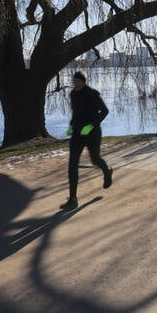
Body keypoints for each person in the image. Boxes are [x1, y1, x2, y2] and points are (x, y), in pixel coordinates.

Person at [60, 71, 113, 211]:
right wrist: (71, 125)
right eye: (74, 81)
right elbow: (76, 112)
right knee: (72, 164)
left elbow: (105, 111)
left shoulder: (92, 93)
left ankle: (107, 172)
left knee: (95, 159)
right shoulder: (73, 94)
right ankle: (73, 199)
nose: (75, 84)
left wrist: (91, 125)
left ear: (83, 82)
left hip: (92, 133)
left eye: (77, 81)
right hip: (77, 134)